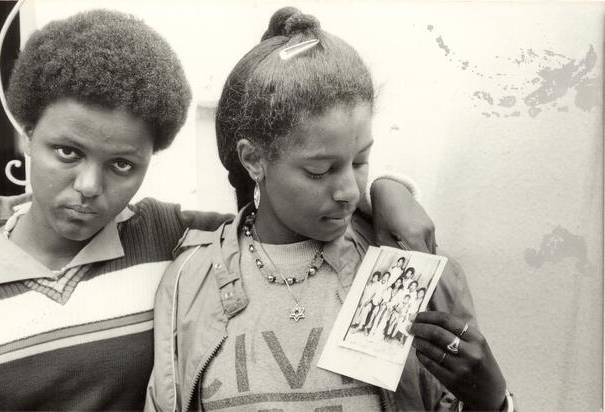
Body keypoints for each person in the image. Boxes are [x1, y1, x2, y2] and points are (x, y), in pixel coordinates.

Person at [0, 8, 438, 411]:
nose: (90, 187)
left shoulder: (163, 236)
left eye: (123, 164)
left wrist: (390, 191)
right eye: (67, 152)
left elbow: (278, 213)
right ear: (25, 131)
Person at [146, 7, 511, 412]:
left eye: (359, 162)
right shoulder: (190, 281)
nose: (348, 191)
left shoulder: (406, 265)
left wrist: (494, 401)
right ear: (254, 159)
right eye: (320, 170)